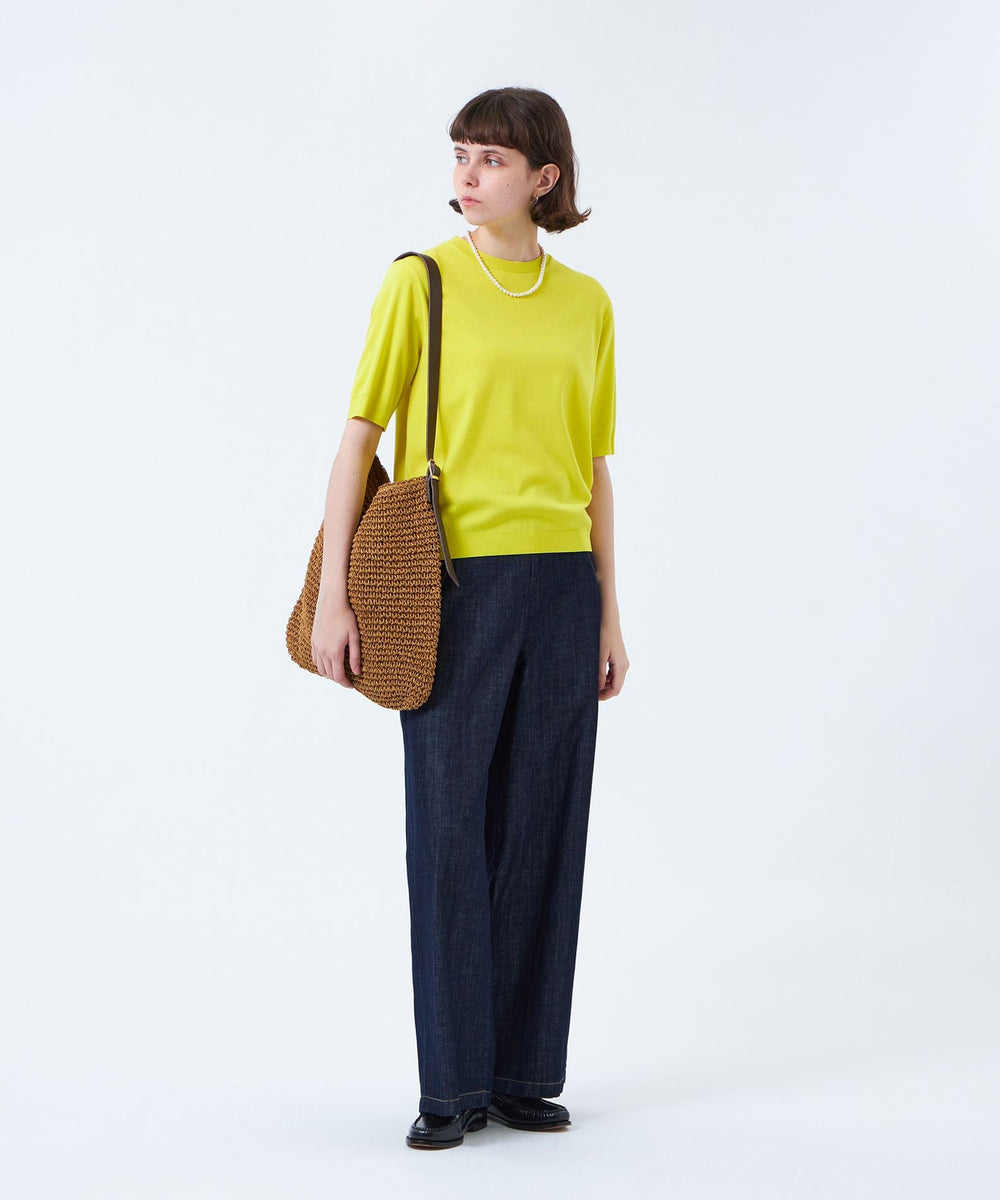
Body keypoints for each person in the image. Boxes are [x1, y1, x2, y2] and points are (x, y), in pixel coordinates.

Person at [310, 85, 629, 1150]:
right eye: (460, 154)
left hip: (561, 585)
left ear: (545, 179)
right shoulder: (423, 282)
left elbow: (593, 469)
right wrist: (336, 597)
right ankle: (450, 1085)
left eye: (491, 158)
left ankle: (523, 1073)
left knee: (545, 828)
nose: (467, 175)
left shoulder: (587, 304)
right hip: (450, 581)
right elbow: (357, 441)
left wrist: (609, 614)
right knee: (448, 831)